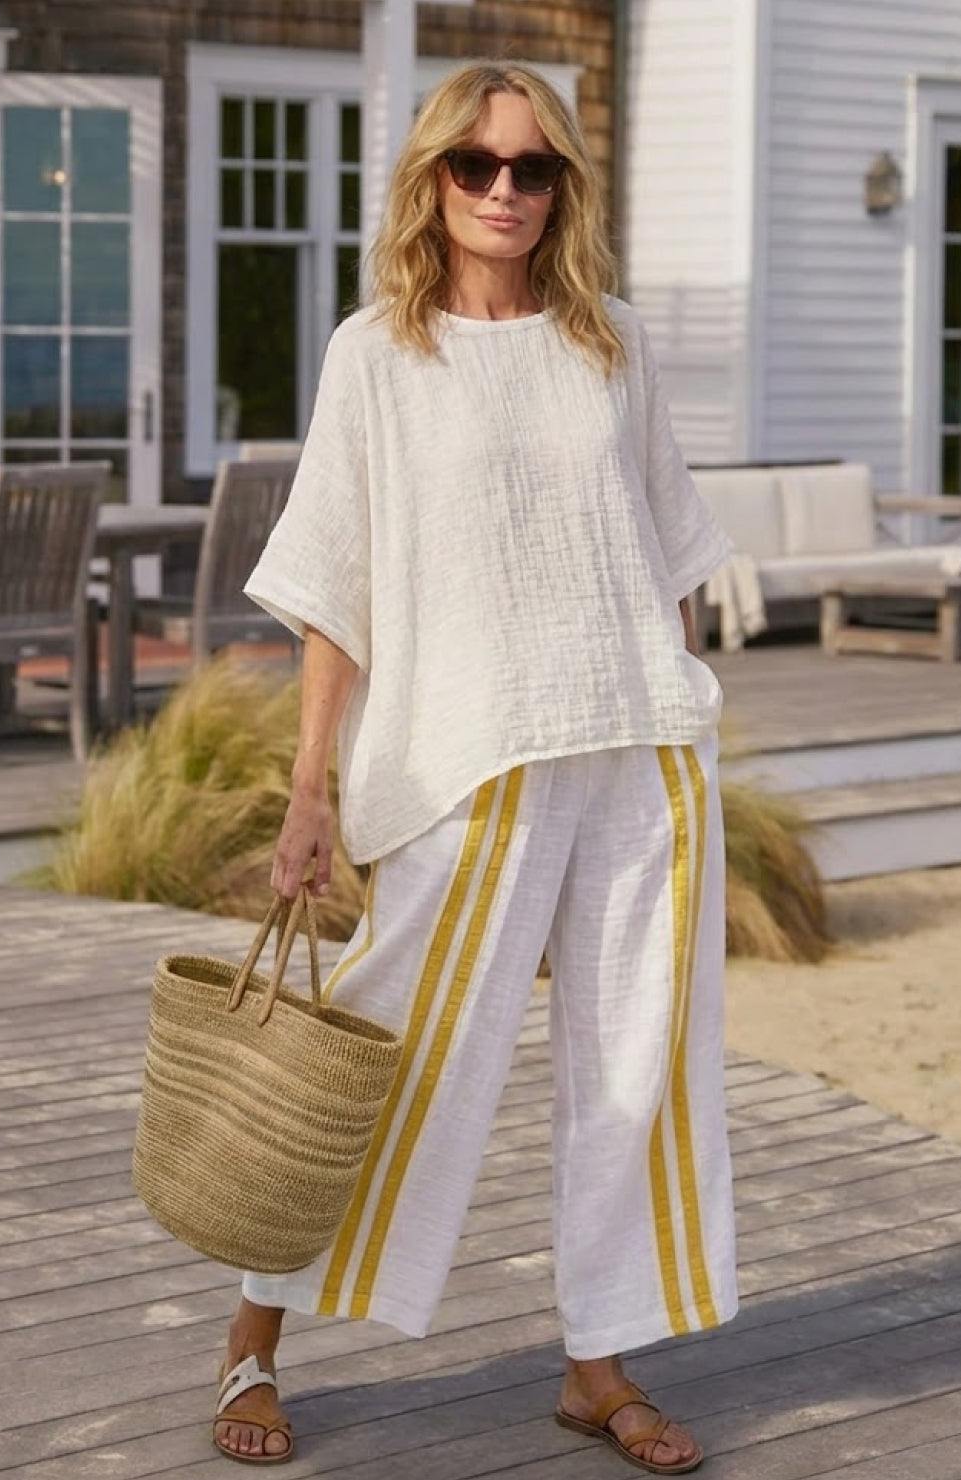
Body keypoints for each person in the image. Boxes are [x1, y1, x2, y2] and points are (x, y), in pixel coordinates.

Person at [212, 58, 739, 1475]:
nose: (505, 190)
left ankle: (597, 1366)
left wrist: (690, 711)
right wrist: (310, 787)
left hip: (635, 747)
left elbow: (665, 553)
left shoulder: (611, 344)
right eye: (476, 165)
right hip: (463, 758)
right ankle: (253, 1338)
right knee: (384, 1059)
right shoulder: (376, 356)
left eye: (533, 168)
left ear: (563, 187)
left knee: (633, 1073)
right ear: (433, 179)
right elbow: (336, 592)